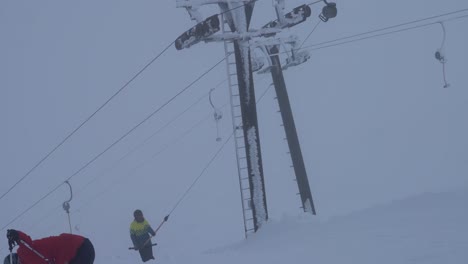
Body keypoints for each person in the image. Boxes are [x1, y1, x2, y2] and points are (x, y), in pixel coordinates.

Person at [4, 229, 95, 264]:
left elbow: (26, 242)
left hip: (79, 249)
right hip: (81, 249)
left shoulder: (24, 253)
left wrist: (16, 235)